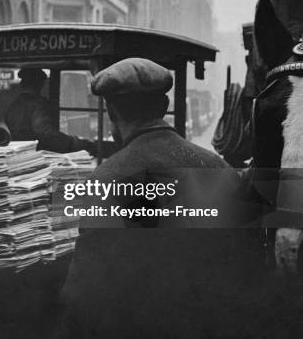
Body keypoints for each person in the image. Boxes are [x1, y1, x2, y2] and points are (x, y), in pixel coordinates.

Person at [59, 58, 265, 338]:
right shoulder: (218, 169)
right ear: (164, 107)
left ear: (112, 113)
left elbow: (84, 295)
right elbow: (249, 265)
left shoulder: (106, 180)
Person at [5, 68, 96, 154]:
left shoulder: (14, 105)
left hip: (20, 153)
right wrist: (73, 143)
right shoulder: (38, 104)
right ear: (38, 84)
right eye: (42, 83)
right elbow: (43, 131)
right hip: (40, 154)